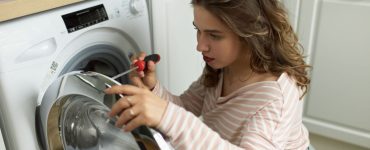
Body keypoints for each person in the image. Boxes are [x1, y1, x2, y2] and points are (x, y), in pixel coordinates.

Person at [104, 0, 311, 149]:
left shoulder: (275, 98)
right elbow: (185, 107)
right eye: (198, 30)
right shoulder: (221, 67)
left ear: (250, 34)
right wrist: (153, 89)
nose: (200, 46)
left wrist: (169, 116)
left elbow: (176, 116)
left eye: (214, 35)